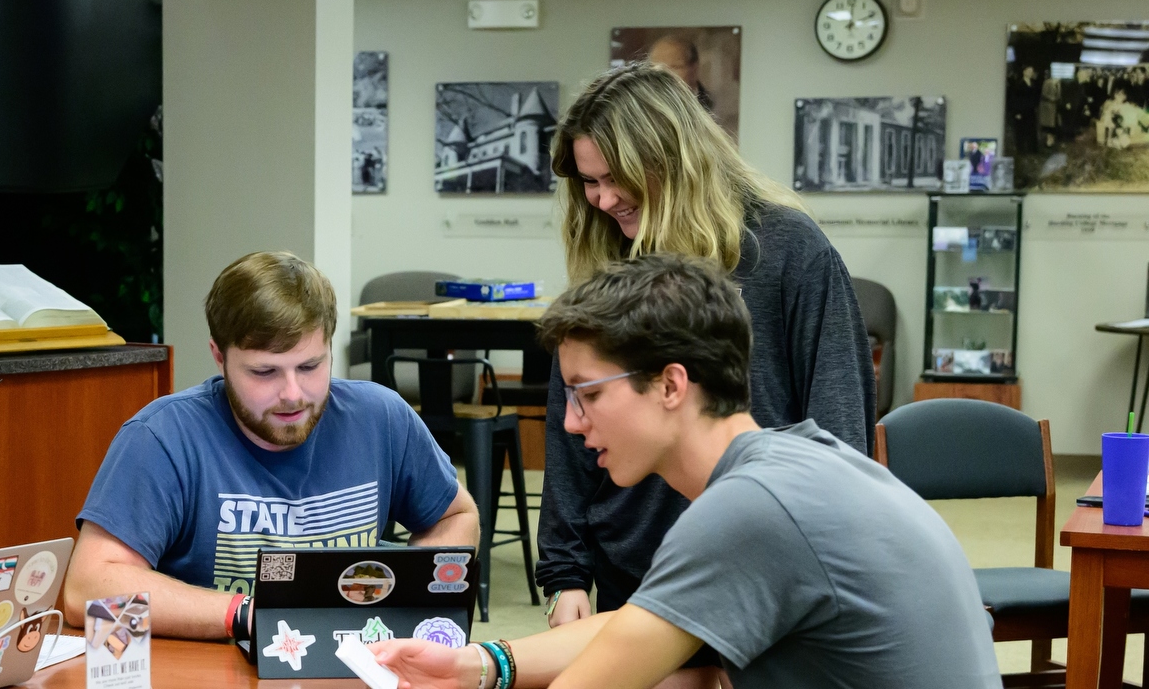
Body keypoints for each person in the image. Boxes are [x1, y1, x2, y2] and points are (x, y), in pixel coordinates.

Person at [367, 253, 997, 689]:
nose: (570, 423)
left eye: (587, 393)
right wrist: (476, 663)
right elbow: (642, 627)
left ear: (670, 385)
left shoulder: (747, 509)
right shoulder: (801, 461)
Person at [539, 61, 875, 685]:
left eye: (617, 179)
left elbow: (840, 428)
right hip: (634, 568)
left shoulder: (789, 251)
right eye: (589, 182)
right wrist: (564, 573)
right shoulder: (612, 254)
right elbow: (573, 424)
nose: (604, 199)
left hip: (760, 571)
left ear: (671, 161)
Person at [64, 251, 481, 640]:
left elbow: (457, 514)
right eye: (264, 372)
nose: (293, 394)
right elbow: (86, 590)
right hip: (216, 666)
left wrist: (410, 600)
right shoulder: (162, 438)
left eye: (310, 366)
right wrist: (247, 613)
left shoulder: (381, 417)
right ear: (218, 356)